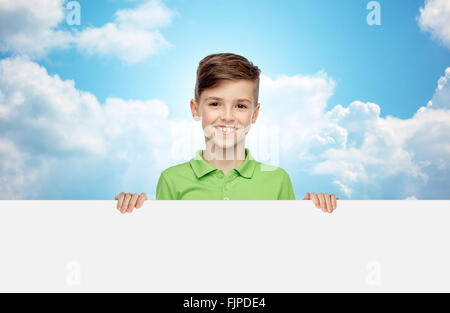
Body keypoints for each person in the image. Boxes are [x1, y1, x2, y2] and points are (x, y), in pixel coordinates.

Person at [115, 53, 339, 213]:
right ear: (195, 109)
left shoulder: (277, 179)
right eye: (215, 104)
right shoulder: (172, 179)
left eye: (240, 106)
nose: (228, 116)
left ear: (254, 113)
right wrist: (129, 210)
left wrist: (318, 210)